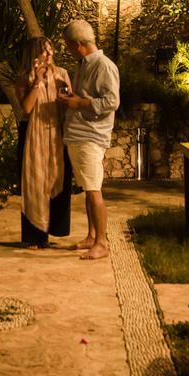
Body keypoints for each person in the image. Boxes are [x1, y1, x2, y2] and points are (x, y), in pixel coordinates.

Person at [59, 20, 120, 260]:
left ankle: (102, 243)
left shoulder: (103, 66)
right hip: (78, 133)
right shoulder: (83, 65)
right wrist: (73, 99)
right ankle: (92, 235)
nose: (67, 50)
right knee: (88, 187)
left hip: (90, 136)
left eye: (68, 46)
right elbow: (87, 97)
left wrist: (80, 103)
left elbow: (111, 101)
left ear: (77, 44)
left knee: (94, 189)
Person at [15, 36, 73, 248]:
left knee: (57, 178)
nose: (50, 55)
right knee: (34, 183)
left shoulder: (62, 74)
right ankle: (35, 235)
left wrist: (66, 94)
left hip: (57, 132)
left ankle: (55, 228)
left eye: (51, 50)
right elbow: (27, 108)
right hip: (34, 133)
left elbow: (70, 102)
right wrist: (38, 82)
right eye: (45, 51)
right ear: (34, 55)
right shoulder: (24, 78)